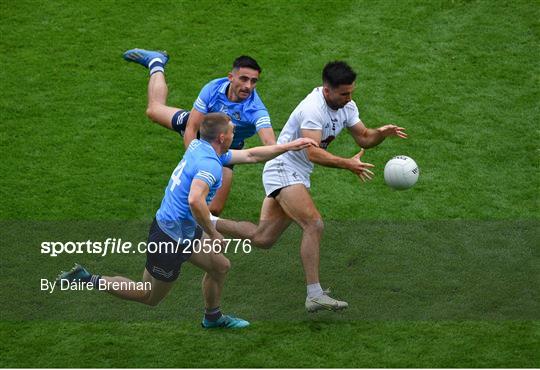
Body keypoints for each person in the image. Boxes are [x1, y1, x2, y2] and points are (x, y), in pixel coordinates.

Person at [58, 113, 316, 329]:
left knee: (220, 267)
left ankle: (212, 318)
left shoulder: (200, 146)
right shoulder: (211, 165)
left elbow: (250, 156)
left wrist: (288, 146)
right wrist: (213, 233)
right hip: (169, 238)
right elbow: (195, 200)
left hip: (182, 230)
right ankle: (87, 278)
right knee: (148, 295)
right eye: (232, 131)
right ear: (223, 138)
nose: (235, 134)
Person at [212, 61, 408, 313]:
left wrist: (382, 132)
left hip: (297, 173)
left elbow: (364, 138)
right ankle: (314, 294)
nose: (349, 98)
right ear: (327, 91)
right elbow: (312, 153)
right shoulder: (313, 109)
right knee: (313, 224)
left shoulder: (346, 105)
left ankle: (205, 221)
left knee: (263, 238)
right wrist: (347, 164)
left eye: (351, 92)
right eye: (344, 93)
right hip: (283, 168)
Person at [122, 49, 276, 215]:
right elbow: (191, 127)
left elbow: (270, 144)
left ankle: (194, 233)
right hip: (200, 131)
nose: (248, 86)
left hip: (226, 147)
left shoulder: (255, 109)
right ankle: (156, 62)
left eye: (254, 81)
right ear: (231, 77)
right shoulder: (213, 88)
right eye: (244, 79)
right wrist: (194, 159)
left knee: (214, 209)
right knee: (153, 110)